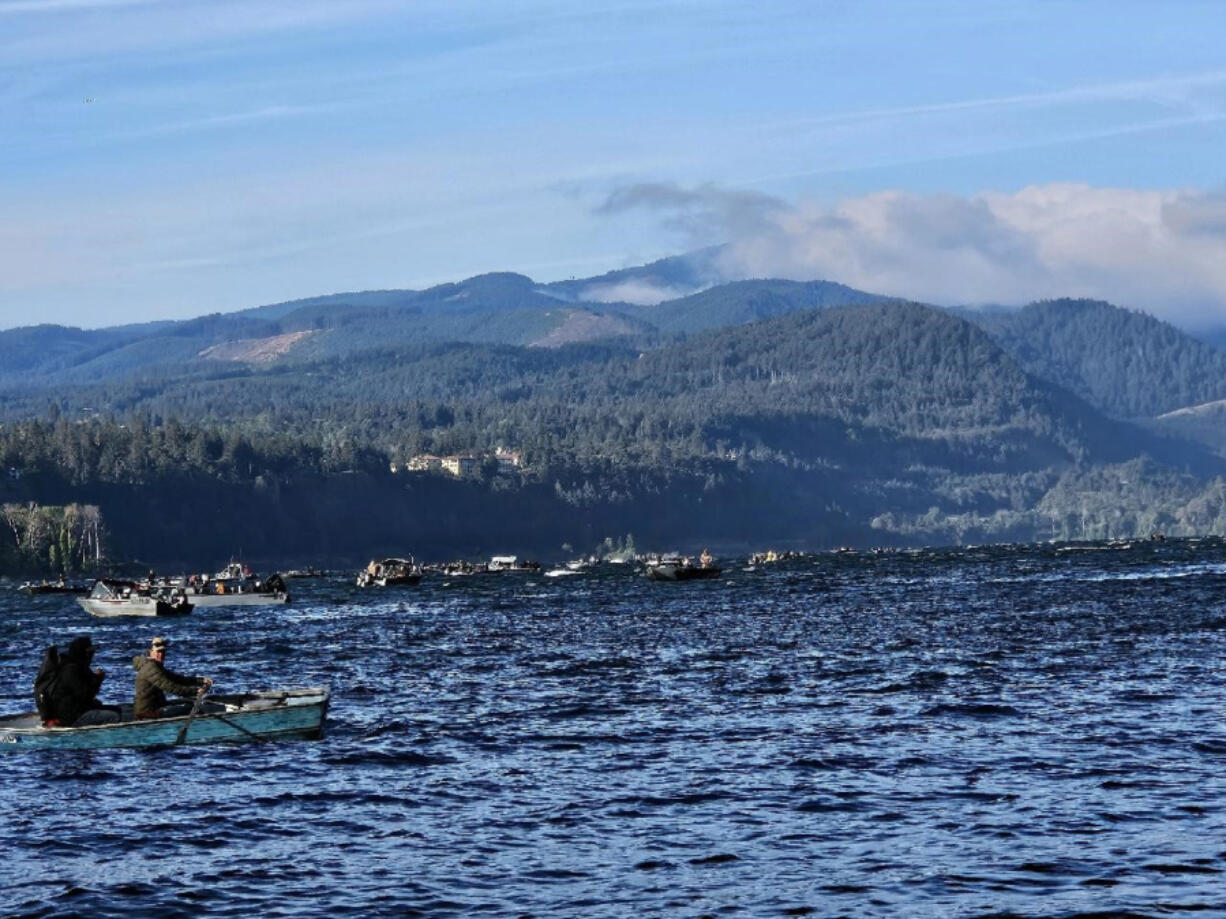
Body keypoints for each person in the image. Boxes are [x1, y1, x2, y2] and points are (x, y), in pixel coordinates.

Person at [132, 636, 213, 719]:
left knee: (190, 702)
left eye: (163, 652)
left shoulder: (155, 666)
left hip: (158, 706)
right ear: (150, 652)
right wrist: (195, 691)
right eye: (158, 652)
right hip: (147, 713)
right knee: (191, 708)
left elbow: (177, 679)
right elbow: (171, 687)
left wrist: (200, 680)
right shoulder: (150, 668)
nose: (161, 655)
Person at [51, 636, 121, 726]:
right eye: (90, 652)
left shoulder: (75, 666)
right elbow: (85, 694)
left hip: (76, 710)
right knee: (114, 716)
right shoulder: (72, 669)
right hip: (72, 716)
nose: (92, 655)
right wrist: (98, 679)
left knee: (116, 710)